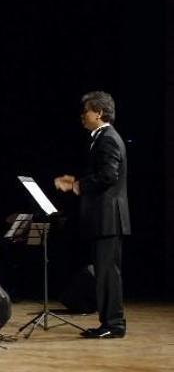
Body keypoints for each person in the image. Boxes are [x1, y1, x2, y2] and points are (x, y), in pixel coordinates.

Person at [55, 90, 130, 339]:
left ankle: (113, 324)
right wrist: (78, 181)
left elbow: (110, 175)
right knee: (107, 273)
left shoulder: (107, 138)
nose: (82, 116)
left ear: (98, 113)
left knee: (107, 274)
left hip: (108, 217)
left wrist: (77, 186)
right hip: (106, 217)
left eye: (86, 110)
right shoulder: (102, 137)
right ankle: (111, 322)